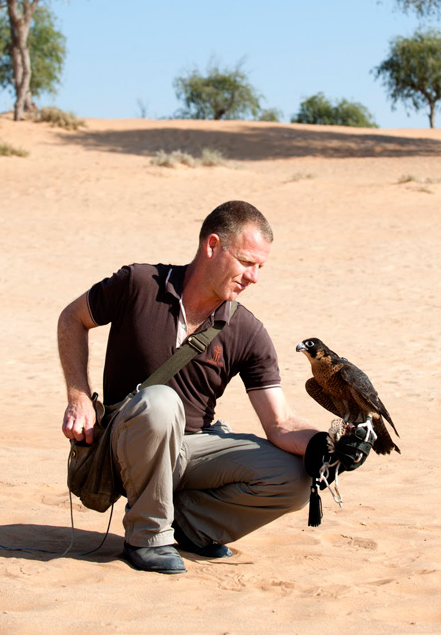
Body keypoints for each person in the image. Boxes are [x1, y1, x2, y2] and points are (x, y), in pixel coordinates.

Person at [59, 200, 371, 574]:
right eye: (246, 262)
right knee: (160, 402)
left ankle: (191, 529)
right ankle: (147, 536)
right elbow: (72, 318)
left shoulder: (248, 331)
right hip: (126, 446)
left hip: (193, 450)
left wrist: (328, 445)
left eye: (260, 267)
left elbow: (280, 421)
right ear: (212, 246)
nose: (253, 277)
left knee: (295, 478)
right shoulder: (139, 284)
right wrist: (78, 396)